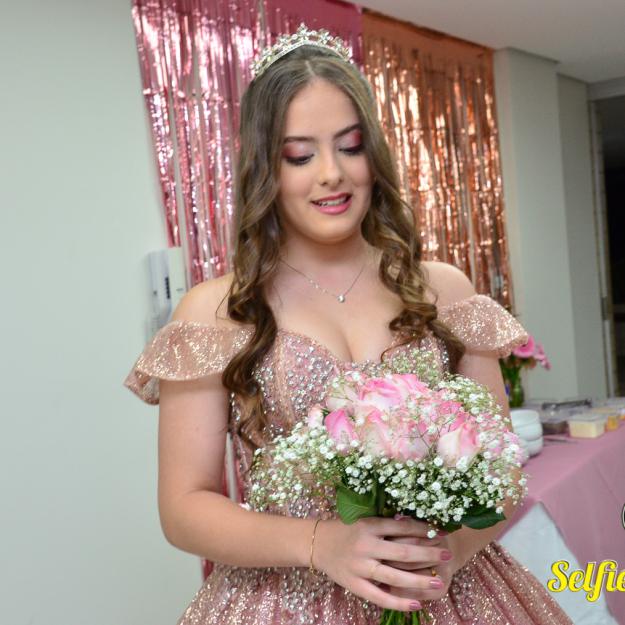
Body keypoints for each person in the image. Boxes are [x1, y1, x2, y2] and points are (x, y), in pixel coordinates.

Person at [124, 25, 571, 625]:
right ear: (264, 167)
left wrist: (449, 554)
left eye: (350, 147)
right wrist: (322, 544)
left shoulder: (443, 290)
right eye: (300, 155)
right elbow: (184, 508)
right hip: (284, 600)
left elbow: (501, 468)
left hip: (443, 589)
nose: (331, 173)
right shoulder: (215, 311)